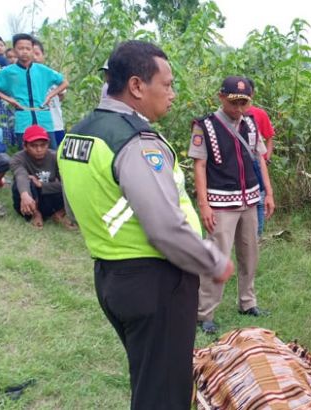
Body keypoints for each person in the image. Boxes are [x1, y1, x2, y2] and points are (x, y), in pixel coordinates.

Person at [57, 40, 234, 410]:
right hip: (155, 283)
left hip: (110, 276)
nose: (172, 93)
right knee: (164, 394)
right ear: (137, 86)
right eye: (166, 84)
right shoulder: (136, 141)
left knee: (150, 378)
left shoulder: (78, 134)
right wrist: (213, 261)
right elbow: (166, 227)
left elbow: (77, 208)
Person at [190, 75, 275, 334]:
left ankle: (247, 302)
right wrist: (204, 205)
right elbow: (200, 165)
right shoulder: (204, 126)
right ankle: (205, 313)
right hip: (220, 202)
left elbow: (260, 160)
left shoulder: (250, 123)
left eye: (244, 103)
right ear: (221, 97)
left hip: (249, 200)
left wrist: (268, 193)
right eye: (234, 102)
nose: (238, 108)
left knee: (250, 255)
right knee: (216, 257)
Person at [0, 33, 68, 149]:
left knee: (50, 153)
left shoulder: (43, 70)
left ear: (32, 50)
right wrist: (9, 99)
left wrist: (50, 95)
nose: (24, 51)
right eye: (20, 48)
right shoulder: (8, 72)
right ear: (14, 50)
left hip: (44, 117)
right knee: (25, 154)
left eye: (28, 48)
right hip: (23, 118)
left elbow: (64, 82)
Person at [9, 124, 72, 228]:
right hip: (29, 200)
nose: (39, 149)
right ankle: (35, 214)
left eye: (43, 145)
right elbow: (21, 175)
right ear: (25, 146)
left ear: (48, 144)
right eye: (34, 146)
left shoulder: (56, 157)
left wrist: (41, 185)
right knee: (24, 182)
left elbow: (67, 184)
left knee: (75, 185)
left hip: (49, 198)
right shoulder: (17, 159)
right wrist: (25, 195)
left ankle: (60, 213)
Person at [246, 77, 276, 237]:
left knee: (260, 199)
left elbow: (269, 136)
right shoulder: (231, 114)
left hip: (258, 163)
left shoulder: (259, 114)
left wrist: (267, 158)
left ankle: (257, 235)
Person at [32, 39, 66, 147]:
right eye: (32, 55)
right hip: (36, 127)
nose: (35, 58)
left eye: (37, 54)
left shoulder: (53, 75)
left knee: (57, 156)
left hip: (56, 124)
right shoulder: (26, 77)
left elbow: (62, 94)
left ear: (43, 55)